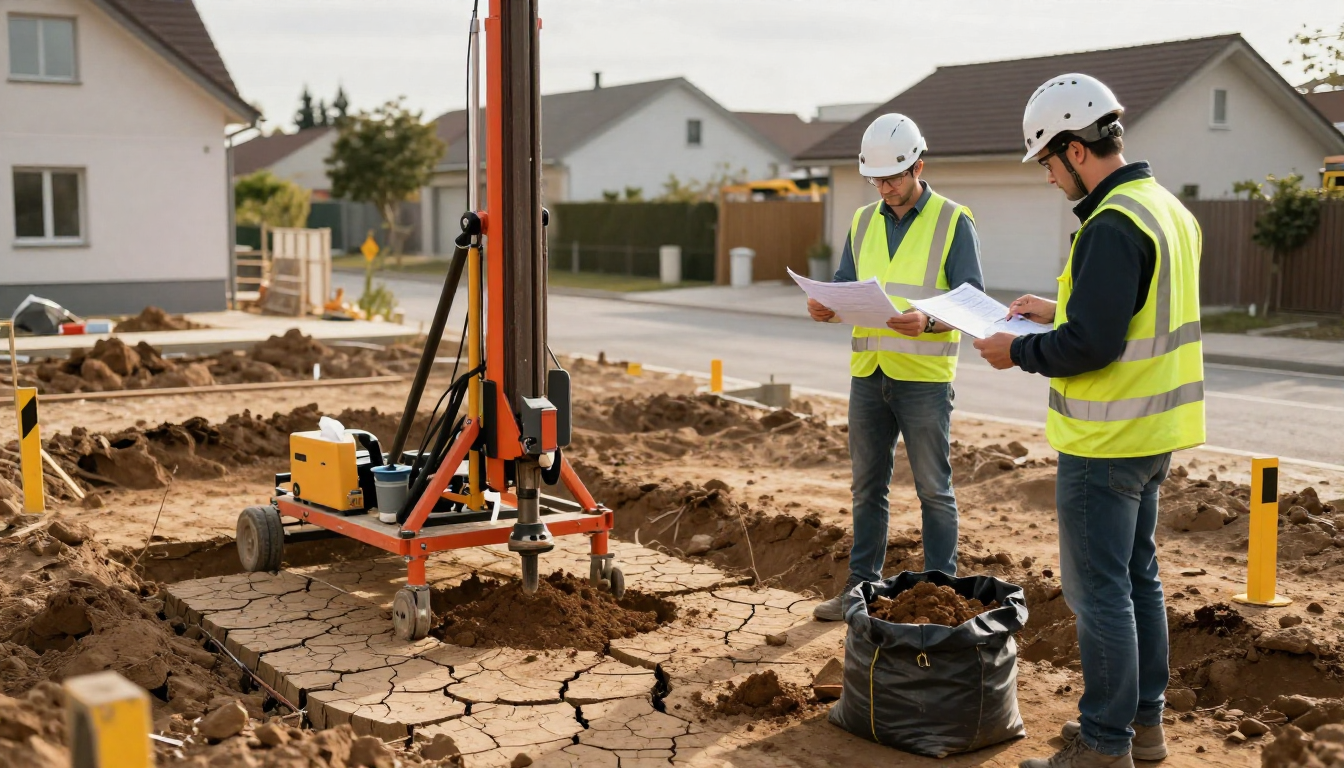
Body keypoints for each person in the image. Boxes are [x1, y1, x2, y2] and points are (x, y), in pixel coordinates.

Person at [973, 74, 1205, 768]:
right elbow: (1133, 309)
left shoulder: (1110, 224)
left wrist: (1016, 351)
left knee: (1100, 594)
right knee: (1137, 581)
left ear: (1076, 149)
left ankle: (1104, 744)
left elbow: (1094, 346)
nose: (1047, 176)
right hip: (1154, 435)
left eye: (1047, 160)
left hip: (1105, 440)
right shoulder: (1165, 208)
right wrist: (1059, 309)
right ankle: (1144, 729)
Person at [808, 113, 985, 622]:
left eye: (893, 178)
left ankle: (942, 598)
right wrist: (827, 304)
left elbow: (971, 303)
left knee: (933, 490)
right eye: (876, 180)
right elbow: (845, 284)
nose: (884, 189)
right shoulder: (863, 221)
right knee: (867, 489)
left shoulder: (953, 220)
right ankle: (859, 590)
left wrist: (927, 321)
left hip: (924, 380)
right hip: (869, 374)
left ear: (918, 167)